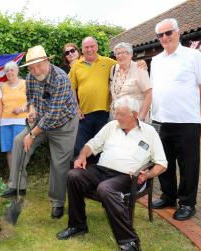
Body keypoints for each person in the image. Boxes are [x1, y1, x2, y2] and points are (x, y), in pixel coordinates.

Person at [56, 96, 167, 251]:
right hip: (102, 170)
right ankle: (77, 225)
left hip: (127, 176)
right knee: (74, 175)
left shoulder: (148, 132)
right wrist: (82, 156)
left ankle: (130, 242)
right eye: (116, 113)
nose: (117, 117)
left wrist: (147, 175)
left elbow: (162, 163)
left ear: (134, 114)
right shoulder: (111, 126)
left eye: (121, 114)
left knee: (105, 188)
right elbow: (92, 144)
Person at [2, 45, 78, 220]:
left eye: (39, 65)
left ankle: (57, 202)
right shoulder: (30, 77)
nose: (36, 70)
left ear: (47, 61)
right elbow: (32, 100)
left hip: (64, 125)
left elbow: (53, 115)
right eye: (31, 67)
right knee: (18, 142)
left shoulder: (60, 78)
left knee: (59, 163)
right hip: (41, 119)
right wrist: (32, 111)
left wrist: (32, 134)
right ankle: (16, 186)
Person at [150, 18, 201, 221]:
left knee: (188, 165)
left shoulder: (193, 56)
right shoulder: (156, 60)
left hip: (187, 122)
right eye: (161, 35)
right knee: (163, 162)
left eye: (169, 33)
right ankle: (168, 197)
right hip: (160, 120)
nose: (165, 37)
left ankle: (187, 203)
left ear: (178, 32)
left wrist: (194, 111)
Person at [69, 37, 147, 159]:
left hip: (104, 113)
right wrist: (76, 108)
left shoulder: (109, 62)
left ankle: (98, 173)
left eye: (92, 46)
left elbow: (126, 63)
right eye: (86, 47)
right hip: (84, 114)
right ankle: (82, 173)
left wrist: (140, 62)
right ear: (82, 49)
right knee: (79, 147)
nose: (89, 49)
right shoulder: (76, 66)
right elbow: (72, 88)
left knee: (101, 147)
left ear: (97, 47)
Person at [110, 42, 151, 121]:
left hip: (135, 118)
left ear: (131, 55)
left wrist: (141, 117)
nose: (120, 56)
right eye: (118, 53)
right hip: (117, 118)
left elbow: (148, 94)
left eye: (124, 53)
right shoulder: (114, 69)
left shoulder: (140, 68)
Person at [0, 61, 27, 170]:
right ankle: (13, 176)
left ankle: (20, 174)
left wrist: (22, 108)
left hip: (21, 121)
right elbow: (0, 104)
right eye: (7, 71)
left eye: (12, 70)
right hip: (5, 122)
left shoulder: (25, 83)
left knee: (20, 148)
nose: (9, 72)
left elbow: (33, 100)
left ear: (17, 71)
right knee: (9, 150)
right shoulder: (2, 86)